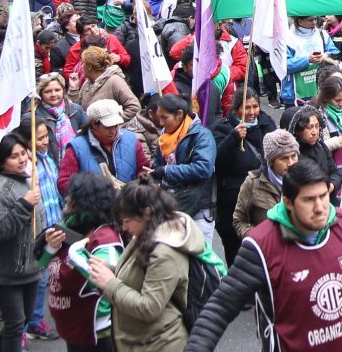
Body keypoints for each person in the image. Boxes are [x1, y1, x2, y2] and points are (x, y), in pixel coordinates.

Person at [187, 155, 342, 352]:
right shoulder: (261, 245)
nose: (320, 208)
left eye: (323, 196)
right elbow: (220, 308)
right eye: (309, 200)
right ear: (288, 202)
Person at [85, 180, 206, 352]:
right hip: (142, 341)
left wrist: (110, 283)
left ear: (147, 213)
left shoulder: (165, 251)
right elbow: (141, 275)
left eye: (127, 221)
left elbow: (150, 307)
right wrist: (110, 269)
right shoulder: (148, 232)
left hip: (160, 343)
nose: (124, 227)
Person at [44, 171, 121, 352]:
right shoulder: (70, 226)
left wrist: (76, 252)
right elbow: (41, 262)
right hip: (72, 322)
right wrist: (50, 247)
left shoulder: (105, 237)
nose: (67, 199)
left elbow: (102, 276)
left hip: (96, 328)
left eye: (72, 196)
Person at [0, 133, 46, 352]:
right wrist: (24, 205)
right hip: (8, 269)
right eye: (13, 156)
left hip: (31, 265)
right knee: (16, 323)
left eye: (23, 153)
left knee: (24, 318)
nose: (21, 160)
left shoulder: (28, 182)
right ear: (2, 161)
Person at [213, 90, 274, 260]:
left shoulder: (266, 123)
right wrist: (233, 137)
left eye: (255, 107)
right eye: (247, 108)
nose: (252, 112)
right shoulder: (222, 128)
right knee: (237, 254)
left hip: (262, 199)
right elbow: (217, 161)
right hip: (233, 202)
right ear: (236, 110)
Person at [151, 95, 216, 233]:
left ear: (179, 114)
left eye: (165, 117)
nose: (161, 123)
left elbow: (203, 169)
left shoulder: (202, 136)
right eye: (159, 118)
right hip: (171, 208)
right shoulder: (164, 138)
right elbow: (157, 165)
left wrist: (167, 171)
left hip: (198, 210)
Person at [58, 99, 150, 193]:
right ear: (94, 124)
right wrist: (91, 189)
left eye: (116, 126)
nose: (113, 131)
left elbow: (143, 168)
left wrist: (143, 178)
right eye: (108, 127)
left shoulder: (131, 140)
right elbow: (64, 183)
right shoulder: (76, 148)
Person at [233, 129, 297, 242]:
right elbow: (239, 221)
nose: (291, 163)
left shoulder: (305, 181)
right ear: (271, 161)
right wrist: (256, 239)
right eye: (284, 158)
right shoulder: (253, 182)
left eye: (294, 156)